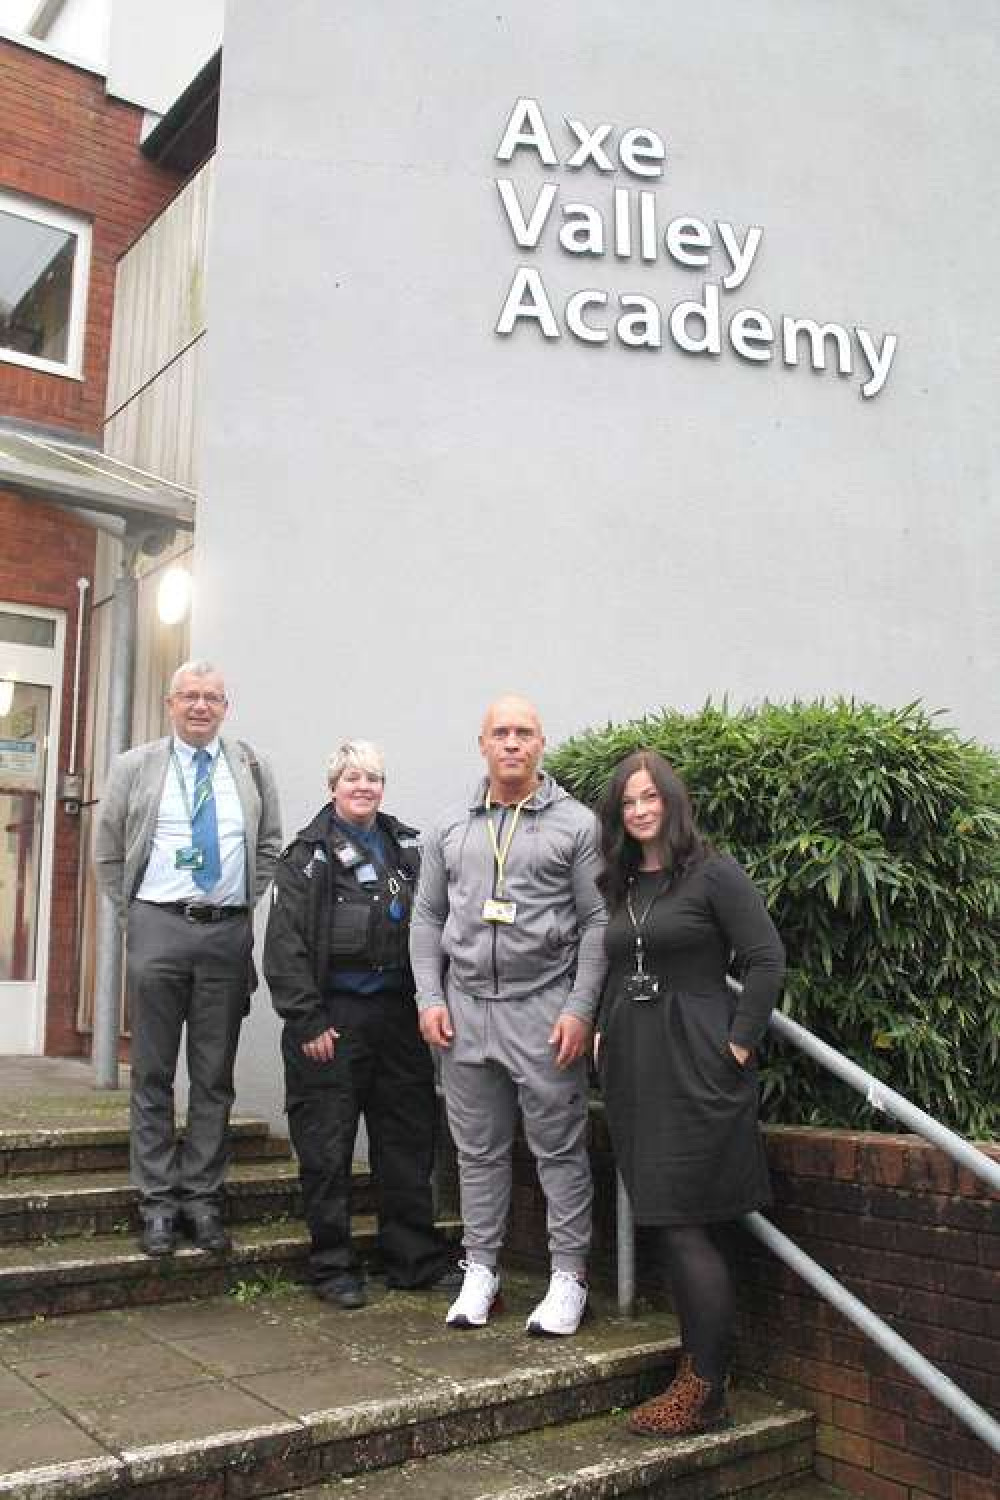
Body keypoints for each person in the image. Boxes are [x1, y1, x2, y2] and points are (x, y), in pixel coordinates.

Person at [594, 749, 784, 1437]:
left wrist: (737, 1043)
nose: (640, 810)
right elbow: (622, 960)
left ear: (672, 802)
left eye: (650, 798)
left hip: (698, 1065)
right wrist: (603, 1028)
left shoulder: (714, 874)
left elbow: (765, 959)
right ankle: (696, 1375)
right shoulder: (622, 884)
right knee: (667, 1221)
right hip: (636, 1069)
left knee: (683, 1221)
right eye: (628, 802)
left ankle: (705, 1389)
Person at [411, 694, 607, 1336]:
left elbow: (598, 921)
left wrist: (581, 1008)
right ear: (483, 744)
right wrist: (430, 998)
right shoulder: (450, 828)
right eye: (501, 733)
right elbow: (427, 918)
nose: (513, 743)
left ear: (542, 743)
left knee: (559, 1149)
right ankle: (482, 1272)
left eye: (524, 733)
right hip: (466, 1012)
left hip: (544, 1010)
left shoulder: (577, 826)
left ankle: (570, 1275)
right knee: (477, 1153)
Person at [94, 659, 281, 1257]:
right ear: (170, 704)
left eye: (213, 698)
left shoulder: (250, 766)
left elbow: (270, 845)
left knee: (212, 1077)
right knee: (151, 1073)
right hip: (158, 927)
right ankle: (156, 1203)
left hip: (225, 934)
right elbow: (109, 854)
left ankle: (201, 1199)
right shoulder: (134, 767)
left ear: (226, 707)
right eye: (190, 696)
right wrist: (139, 918)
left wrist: (240, 904)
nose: (201, 706)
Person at [262, 740, 456, 1308]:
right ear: (333, 788)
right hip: (332, 1020)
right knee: (327, 1149)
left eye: (373, 778)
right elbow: (284, 949)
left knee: (407, 1142)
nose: (364, 787)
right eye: (352, 778)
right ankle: (331, 1267)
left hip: (398, 1018)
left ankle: (412, 1261)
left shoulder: (407, 848)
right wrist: (306, 1021)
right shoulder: (305, 856)